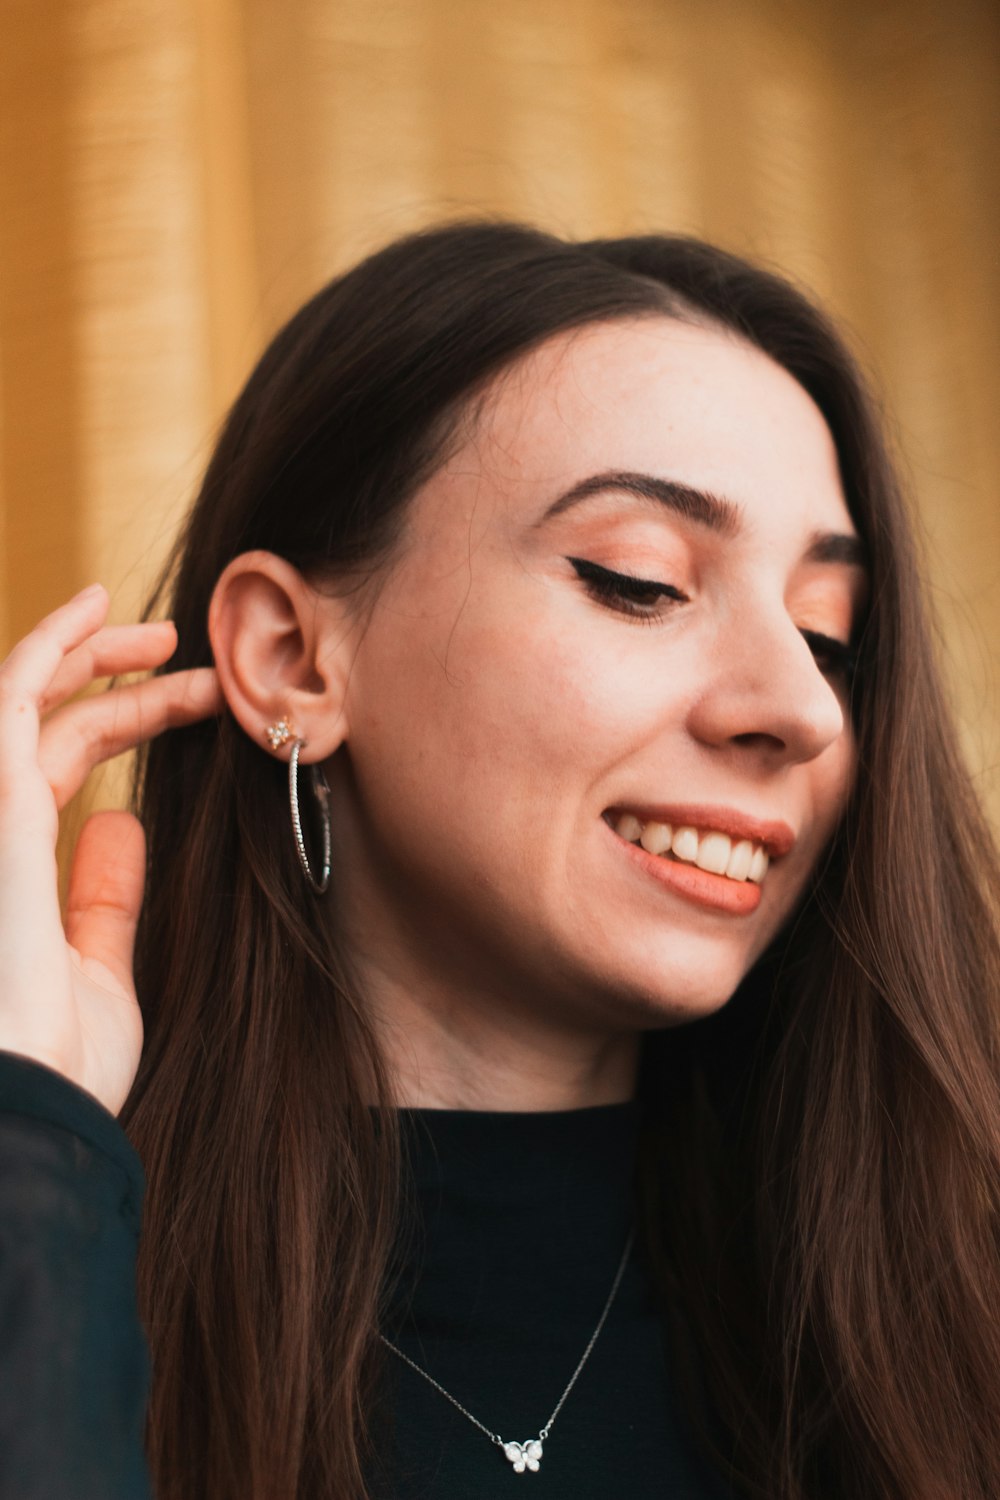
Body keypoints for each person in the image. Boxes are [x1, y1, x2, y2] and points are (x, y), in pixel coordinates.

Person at [0, 222, 998, 1500]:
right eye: (639, 581)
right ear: (294, 660)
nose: (800, 707)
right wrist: (34, 1141)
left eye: (828, 633)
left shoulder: (936, 1337)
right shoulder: (56, 1239)